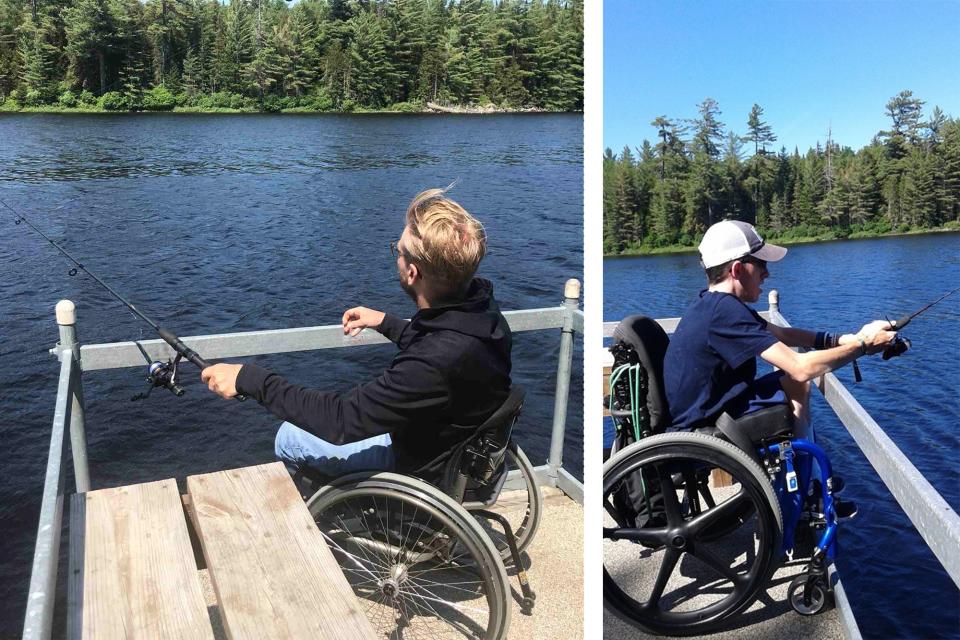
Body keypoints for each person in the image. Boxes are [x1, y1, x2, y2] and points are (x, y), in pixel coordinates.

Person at [200, 188, 512, 481]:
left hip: (417, 463)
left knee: (289, 437)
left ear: (413, 273)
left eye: (398, 252)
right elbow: (440, 347)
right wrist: (386, 322)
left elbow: (342, 421)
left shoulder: (431, 363)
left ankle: (334, 517)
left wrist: (251, 379)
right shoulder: (483, 312)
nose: (397, 258)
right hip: (453, 449)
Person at [664, 220, 897, 439]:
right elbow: (800, 367)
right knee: (799, 379)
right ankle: (802, 460)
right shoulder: (724, 311)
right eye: (761, 264)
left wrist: (845, 339)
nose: (767, 273)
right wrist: (863, 345)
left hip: (706, 410)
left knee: (795, 383)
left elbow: (784, 334)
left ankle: (801, 457)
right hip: (704, 424)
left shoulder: (714, 304)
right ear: (737, 270)